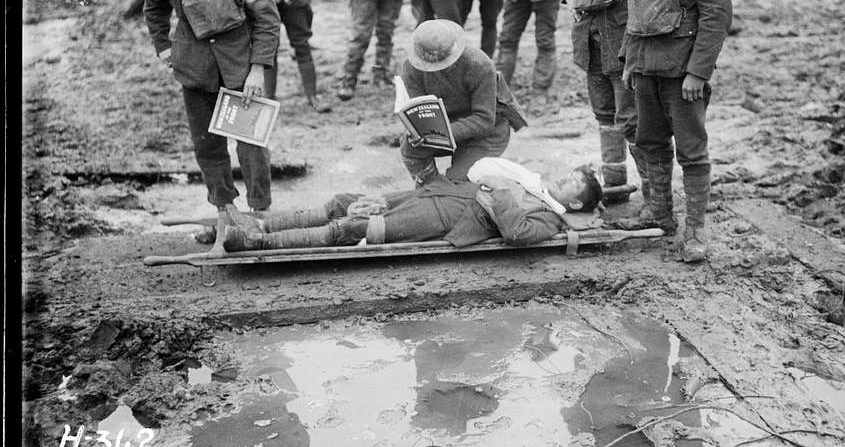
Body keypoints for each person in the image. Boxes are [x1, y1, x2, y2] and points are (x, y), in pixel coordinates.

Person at [144, 0, 281, 254]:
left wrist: (257, 69)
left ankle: (260, 211)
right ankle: (224, 210)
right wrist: (164, 48)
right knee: (208, 145)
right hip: (195, 68)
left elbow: (267, 19)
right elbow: (153, 6)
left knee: (251, 144)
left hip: (239, 68)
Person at [615, 0, 732, 263]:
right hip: (646, 65)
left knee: (692, 151)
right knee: (649, 142)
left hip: (682, 72)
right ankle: (660, 214)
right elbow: (638, 6)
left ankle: (695, 230)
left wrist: (698, 72)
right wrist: (629, 60)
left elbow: (717, 16)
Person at [213, 157, 603, 252]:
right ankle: (258, 224)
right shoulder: (535, 184)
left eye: (573, 183)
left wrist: (500, 187)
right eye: (570, 174)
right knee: (348, 202)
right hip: (444, 195)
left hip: (454, 218)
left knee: (353, 228)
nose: (564, 178)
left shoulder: (551, 219)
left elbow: (517, 234)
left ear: (576, 201)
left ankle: (256, 243)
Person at [556, 0, 656, 201]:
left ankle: (655, 195)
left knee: (630, 119)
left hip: (625, 40)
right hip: (591, 41)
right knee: (604, 116)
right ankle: (616, 187)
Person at [399, 19, 527, 185]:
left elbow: (484, 119)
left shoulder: (479, 64)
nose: (438, 69)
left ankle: (450, 192)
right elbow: (420, 111)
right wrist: (416, 131)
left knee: (459, 184)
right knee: (410, 147)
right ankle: (430, 190)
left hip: (484, 135)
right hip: (443, 129)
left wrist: (444, 133)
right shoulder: (412, 68)